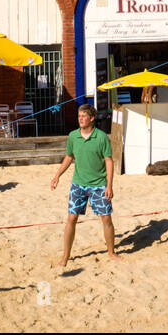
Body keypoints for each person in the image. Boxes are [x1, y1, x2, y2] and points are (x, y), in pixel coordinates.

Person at [51, 104, 119, 266]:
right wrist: (57, 176)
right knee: (71, 218)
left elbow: (109, 161)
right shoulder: (73, 136)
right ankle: (65, 256)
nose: (80, 119)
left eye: (83, 116)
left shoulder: (101, 137)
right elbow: (69, 157)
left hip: (99, 185)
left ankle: (111, 252)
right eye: (79, 116)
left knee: (106, 219)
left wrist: (109, 185)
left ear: (92, 118)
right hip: (78, 184)